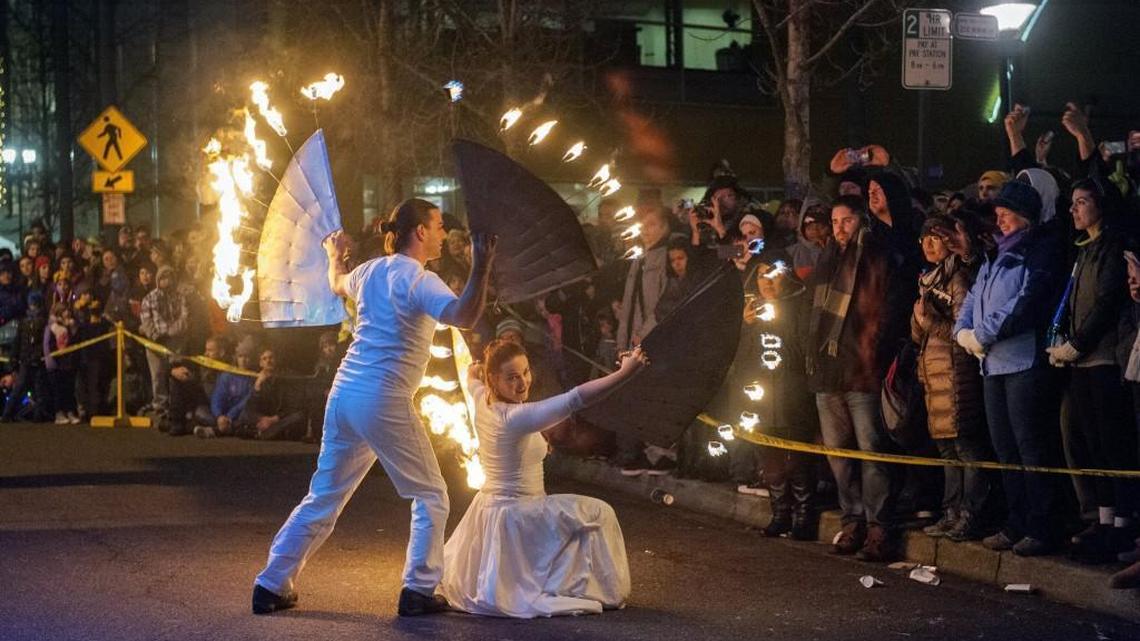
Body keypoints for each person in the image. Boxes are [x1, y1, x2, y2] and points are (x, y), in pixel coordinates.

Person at [253, 198, 497, 617]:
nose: (444, 233)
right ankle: (418, 590)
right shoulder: (419, 280)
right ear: (420, 232)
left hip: (345, 393)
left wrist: (334, 255)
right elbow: (464, 315)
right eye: (439, 225)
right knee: (431, 494)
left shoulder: (369, 271)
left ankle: (271, 583)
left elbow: (336, 282)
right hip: (383, 398)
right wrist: (483, 265)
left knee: (324, 495)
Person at [438, 340, 647, 617]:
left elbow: (471, 377)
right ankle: (591, 589)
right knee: (600, 512)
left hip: (492, 512)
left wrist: (474, 371)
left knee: (576, 515)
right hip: (520, 514)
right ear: (494, 379)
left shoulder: (480, 398)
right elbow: (575, 399)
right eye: (512, 377)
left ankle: (559, 580)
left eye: (525, 372)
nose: (522, 382)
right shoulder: (513, 417)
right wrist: (624, 373)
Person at [954, 180, 1066, 557]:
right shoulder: (994, 256)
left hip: (1022, 362)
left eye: (1006, 215)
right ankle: (1015, 521)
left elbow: (1024, 303)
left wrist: (982, 334)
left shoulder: (1037, 252)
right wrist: (962, 333)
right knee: (1005, 449)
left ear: (1025, 217)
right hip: (991, 365)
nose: (1000, 221)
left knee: (1030, 446)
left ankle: (1042, 524)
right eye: (998, 215)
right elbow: (972, 299)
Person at [806, 195, 901, 562]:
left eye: (846, 220)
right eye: (834, 222)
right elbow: (812, 313)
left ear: (861, 220)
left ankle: (879, 527)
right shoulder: (827, 259)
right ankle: (852, 521)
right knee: (839, 455)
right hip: (827, 371)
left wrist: (873, 352)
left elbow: (884, 311)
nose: (839, 228)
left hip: (861, 368)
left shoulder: (875, 257)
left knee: (871, 453)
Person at [1047, 178, 1135, 563]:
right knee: (1091, 442)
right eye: (1072, 203)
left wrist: (1078, 343)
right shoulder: (1084, 249)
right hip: (1082, 361)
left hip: (1103, 358)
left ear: (1101, 205)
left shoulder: (1113, 247)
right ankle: (1103, 519)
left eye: (1082, 202)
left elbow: (1107, 303)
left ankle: (1123, 524)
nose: (1074, 210)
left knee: (1113, 443)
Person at [911, 216, 993, 542]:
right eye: (925, 238)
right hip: (934, 374)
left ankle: (970, 515)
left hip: (957, 373)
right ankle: (951, 513)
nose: (929, 244)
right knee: (947, 450)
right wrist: (918, 322)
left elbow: (960, 329)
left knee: (966, 448)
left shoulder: (957, 277)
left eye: (936, 238)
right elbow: (920, 335)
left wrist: (928, 322)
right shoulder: (928, 279)